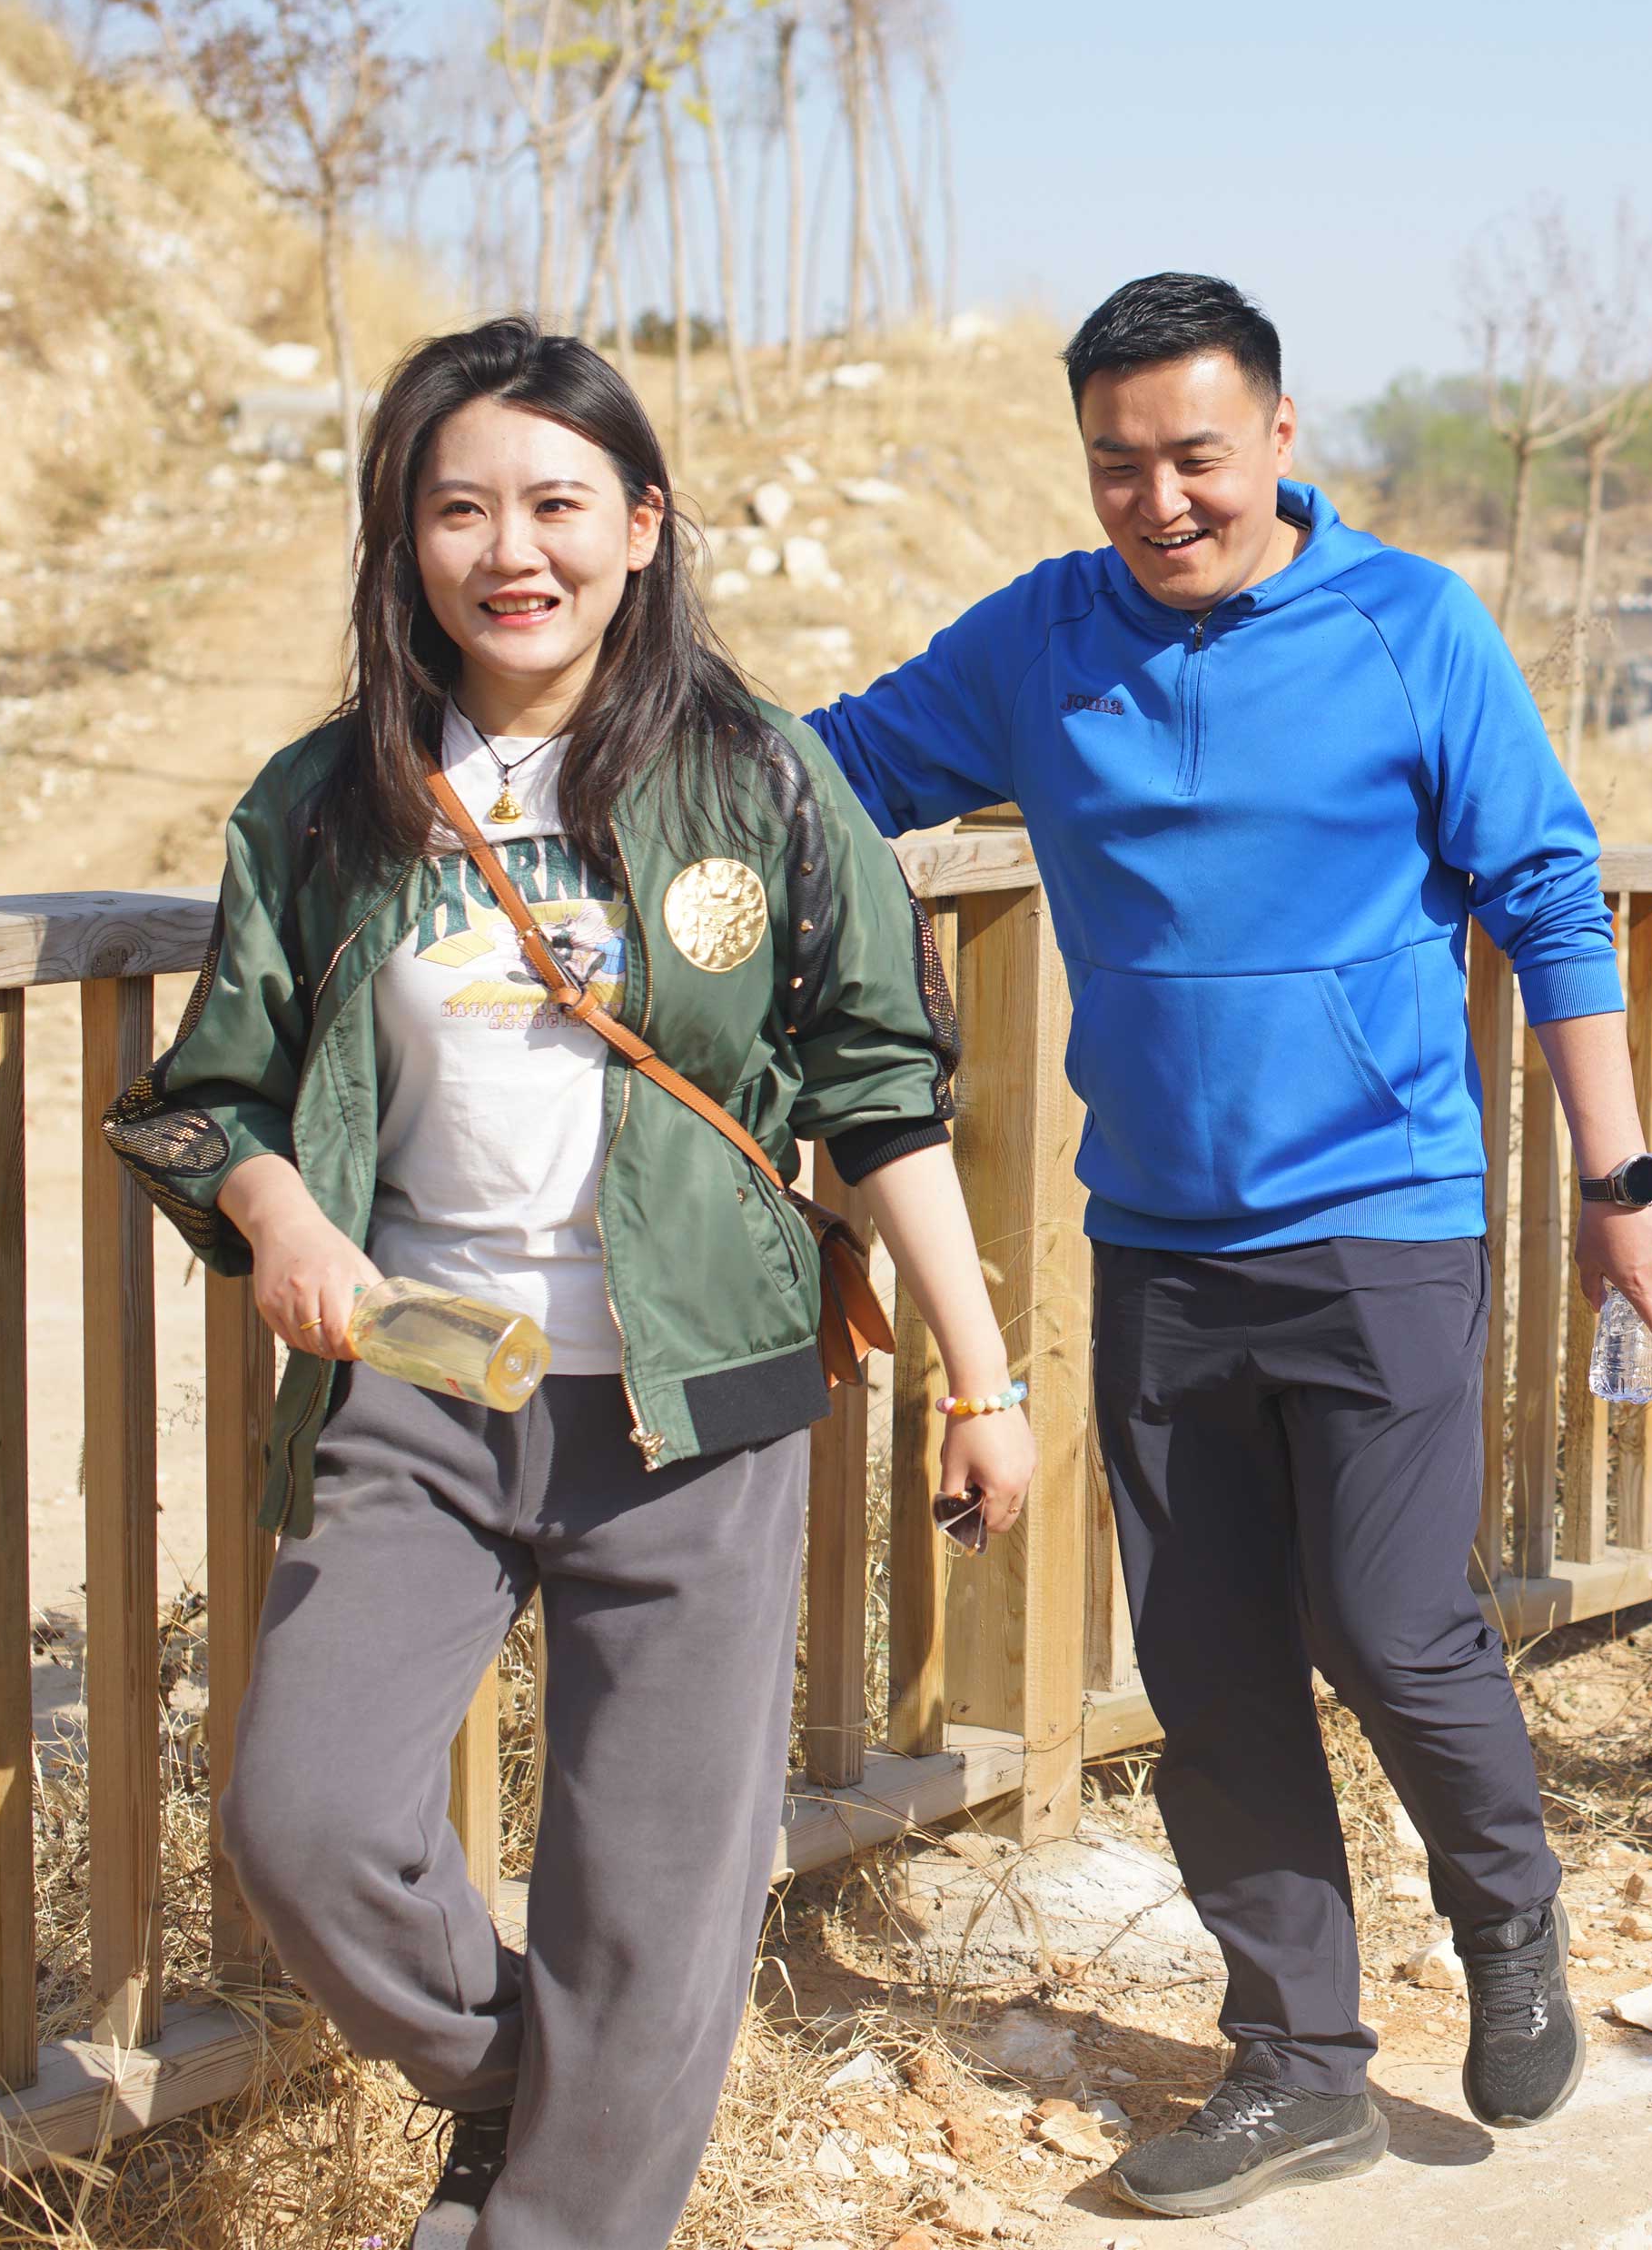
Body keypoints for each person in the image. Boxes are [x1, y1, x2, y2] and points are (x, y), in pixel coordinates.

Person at [101, 321, 1033, 2250]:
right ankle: (519, 2077)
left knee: (652, 1901)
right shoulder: (327, 799)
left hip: (697, 1401)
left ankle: (551, 2211)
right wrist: (284, 1217)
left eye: (555, 503)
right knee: (305, 1813)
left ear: (642, 524)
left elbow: (879, 1089)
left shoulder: (760, 778)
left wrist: (981, 1374)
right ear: (404, 535)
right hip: (426, 1375)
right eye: (460, 508)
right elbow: (210, 1095)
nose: (510, 549)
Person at [804, 273, 1652, 2216]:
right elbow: (833, 767)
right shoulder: (1042, 639)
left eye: (1194, 456)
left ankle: (1505, 1906)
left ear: (1281, 437)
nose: (1158, 500)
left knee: (1387, 1620)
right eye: (1115, 464)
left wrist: (1621, 1181)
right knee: (1205, 1664)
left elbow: (1550, 895)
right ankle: (1299, 2061)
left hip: (1381, 1215)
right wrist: (583, 761)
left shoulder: (1409, 627)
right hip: (1157, 1236)